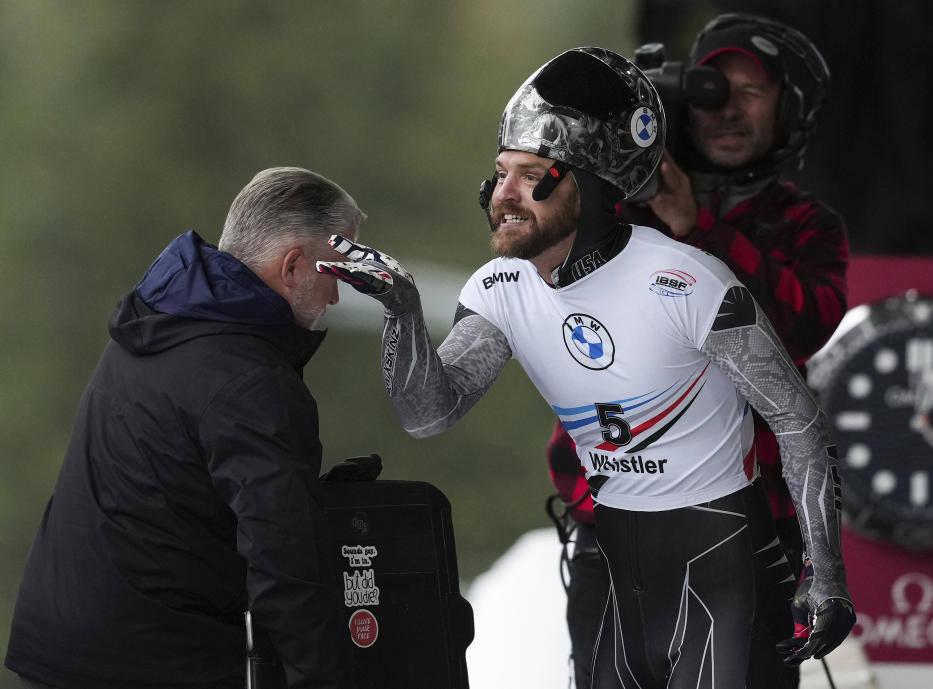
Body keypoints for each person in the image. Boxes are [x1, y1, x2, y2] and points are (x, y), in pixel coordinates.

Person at [316, 46, 856, 688]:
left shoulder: (686, 279)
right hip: (616, 557)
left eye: (530, 174)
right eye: (500, 173)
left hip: (723, 554)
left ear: (592, 186)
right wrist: (401, 310)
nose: (502, 195)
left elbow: (798, 421)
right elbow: (429, 415)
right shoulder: (502, 288)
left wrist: (825, 572)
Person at [546, 14, 851, 689]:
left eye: (753, 91)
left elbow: (800, 324)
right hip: (612, 527)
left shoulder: (808, 226)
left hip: (750, 537)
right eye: (713, 89)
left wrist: (696, 226)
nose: (729, 110)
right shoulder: (612, 215)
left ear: (788, 107)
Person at [5, 167, 364, 689]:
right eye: (337, 272)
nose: (335, 298)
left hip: (55, 651)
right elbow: (287, 565)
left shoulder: (155, 325)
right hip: (151, 664)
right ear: (292, 266)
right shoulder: (251, 381)